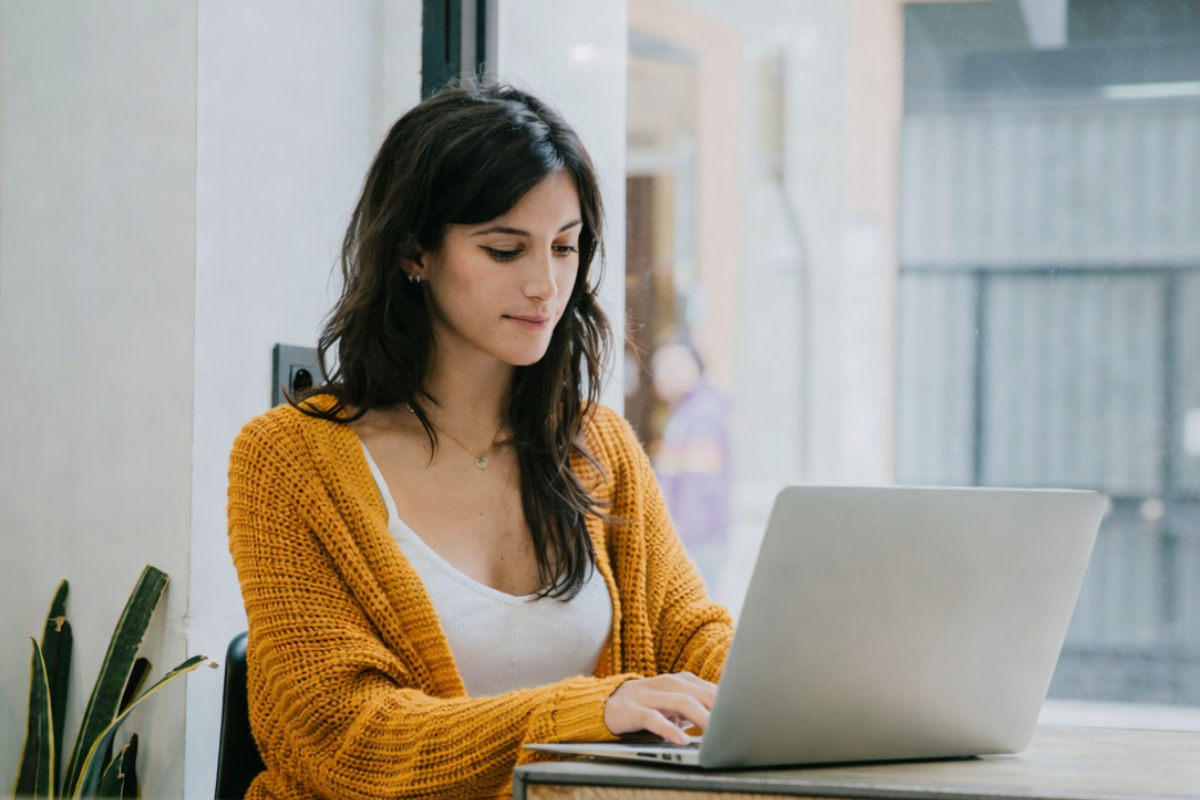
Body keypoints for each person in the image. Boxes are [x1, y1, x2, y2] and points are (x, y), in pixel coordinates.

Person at [226, 81, 734, 800]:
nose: (545, 286)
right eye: (504, 251)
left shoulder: (599, 445)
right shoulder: (288, 459)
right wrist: (587, 713)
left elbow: (690, 640)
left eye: (565, 248)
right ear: (414, 252)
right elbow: (345, 740)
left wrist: (792, 686)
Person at [650, 338, 732, 594]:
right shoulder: (687, 411)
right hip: (696, 540)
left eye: (673, 365)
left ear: (696, 367)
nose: (664, 374)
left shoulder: (701, 413)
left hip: (695, 542)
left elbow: (697, 487)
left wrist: (678, 543)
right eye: (659, 366)